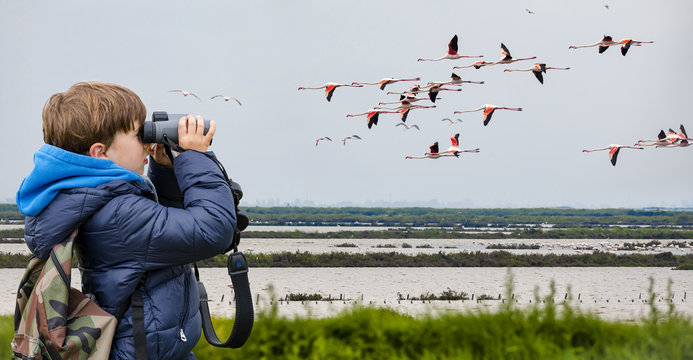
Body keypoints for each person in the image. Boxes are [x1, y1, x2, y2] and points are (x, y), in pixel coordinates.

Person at [16, 81, 237, 359]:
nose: (146, 141)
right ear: (100, 152)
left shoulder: (95, 200)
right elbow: (212, 229)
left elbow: (164, 231)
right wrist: (195, 158)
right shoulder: (119, 214)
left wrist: (167, 173)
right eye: (137, 134)